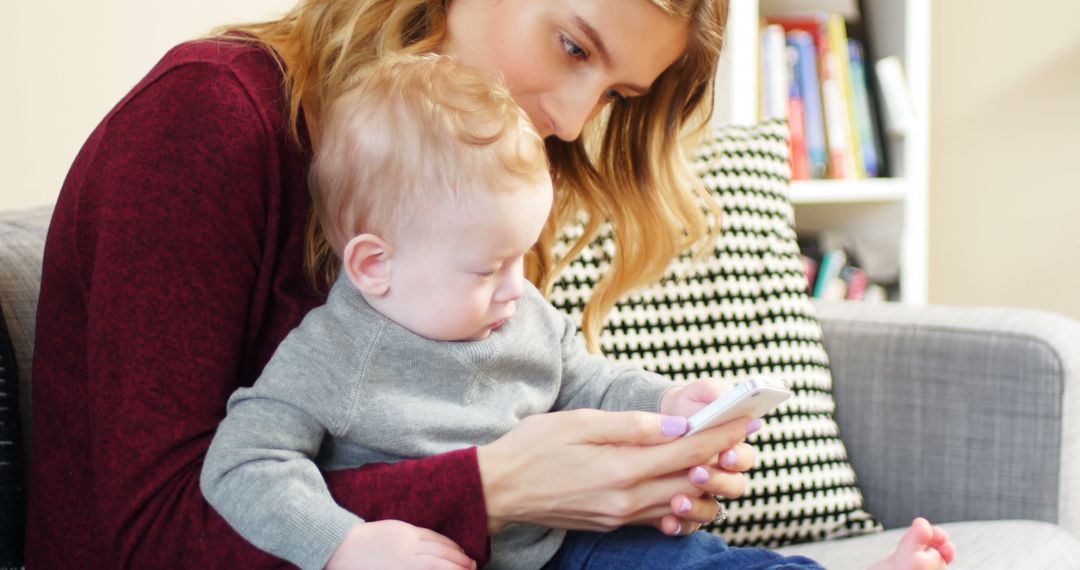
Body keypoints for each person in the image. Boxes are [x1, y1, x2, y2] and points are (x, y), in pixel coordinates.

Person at [26, 0, 955, 568]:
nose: (571, 117)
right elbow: (146, 539)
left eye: (616, 96)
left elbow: (548, 391)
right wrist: (494, 487)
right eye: (573, 47)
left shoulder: (473, 198)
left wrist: (643, 459)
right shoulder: (208, 119)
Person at [199, 53, 825, 570]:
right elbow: (242, 463)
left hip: (555, 545)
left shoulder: (518, 311)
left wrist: (667, 404)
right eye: (486, 268)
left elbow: (589, 382)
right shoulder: (331, 354)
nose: (515, 288)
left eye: (520, 257)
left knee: (688, 557)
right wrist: (342, 544)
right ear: (374, 266)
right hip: (432, 558)